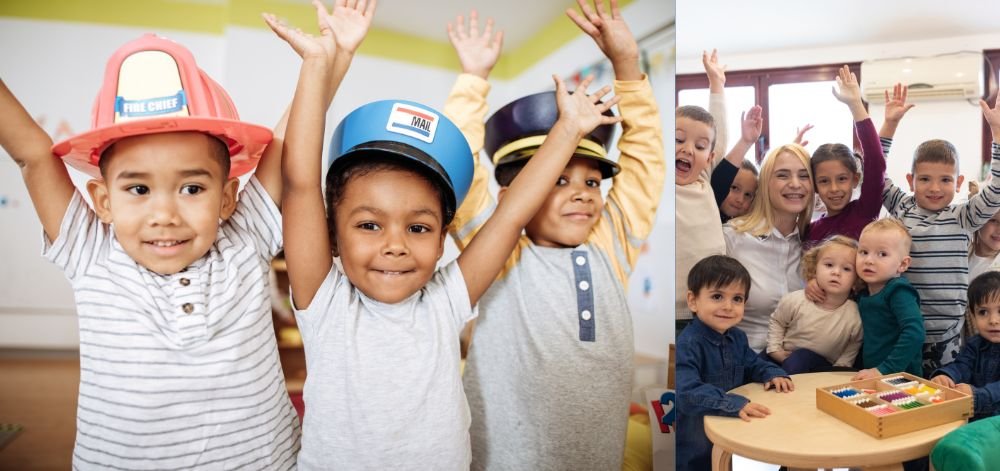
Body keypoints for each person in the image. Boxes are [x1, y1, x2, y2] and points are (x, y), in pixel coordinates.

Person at [270, 2, 623, 468]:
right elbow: (298, 185)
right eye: (369, 224)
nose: (394, 244)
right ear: (332, 236)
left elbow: (511, 215)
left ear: (442, 242)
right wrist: (320, 66)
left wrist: (568, 131)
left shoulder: (445, 300)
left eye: (418, 227)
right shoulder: (324, 302)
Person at [0, 13, 339, 464]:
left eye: (192, 188)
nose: (164, 215)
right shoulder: (90, 252)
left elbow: (289, 143)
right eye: (138, 189)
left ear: (226, 197)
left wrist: (330, 59)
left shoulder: (246, 235)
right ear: (102, 200)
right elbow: (32, 154)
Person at [442, 0, 664, 468]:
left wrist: (626, 63)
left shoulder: (610, 244)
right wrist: (474, 78)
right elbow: (460, 166)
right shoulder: (499, 250)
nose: (582, 193)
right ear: (510, 197)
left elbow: (644, 161)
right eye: (557, 180)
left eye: (590, 181)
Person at [880, 94, 1000, 374]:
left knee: (941, 392)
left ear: (958, 183)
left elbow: (996, 192)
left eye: (945, 180)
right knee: (902, 391)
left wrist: (997, 133)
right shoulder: (902, 207)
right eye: (924, 179)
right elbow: (874, 173)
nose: (935, 188)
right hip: (903, 328)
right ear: (911, 181)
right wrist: (889, 125)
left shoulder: (964, 216)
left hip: (948, 336)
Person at [676, 255, 793, 471]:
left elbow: (753, 364)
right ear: (693, 301)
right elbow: (686, 392)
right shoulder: (688, 344)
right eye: (717, 296)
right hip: (696, 449)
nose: (728, 306)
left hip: (729, 439)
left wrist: (772, 373)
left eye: (737, 299)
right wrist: (734, 404)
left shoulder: (738, 337)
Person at [676, 48, 762, 330]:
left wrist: (717, 86)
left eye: (699, 147)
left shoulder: (704, 181)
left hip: (713, 306)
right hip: (676, 307)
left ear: (709, 157)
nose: (688, 149)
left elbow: (719, 138)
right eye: (678, 140)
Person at [724, 143, 814, 351]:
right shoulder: (732, 237)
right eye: (783, 175)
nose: (795, 184)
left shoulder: (812, 245)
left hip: (799, 366)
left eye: (803, 176)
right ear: (765, 183)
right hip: (743, 365)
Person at [804, 66, 891, 247]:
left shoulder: (864, 211)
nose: (834, 188)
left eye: (842, 179)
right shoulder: (810, 231)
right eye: (824, 181)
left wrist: (856, 105)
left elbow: (876, 162)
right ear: (815, 186)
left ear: (855, 179)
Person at [764, 235, 863, 374]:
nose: (836, 272)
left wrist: (841, 367)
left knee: (801, 357)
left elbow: (853, 343)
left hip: (822, 368)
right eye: (829, 265)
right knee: (755, 364)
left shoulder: (855, 314)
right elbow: (778, 321)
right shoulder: (795, 300)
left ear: (857, 280)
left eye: (846, 269)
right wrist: (775, 350)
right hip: (781, 356)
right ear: (814, 269)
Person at [852, 218, 925, 380]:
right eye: (863, 252)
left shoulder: (898, 291)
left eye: (882, 254)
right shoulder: (862, 291)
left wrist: (884, 370)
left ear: (903, 265)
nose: (869, 260)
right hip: (872, 375)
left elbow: (915, 333)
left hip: (902, 379)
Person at [932, 271, 1000, 421]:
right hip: (971, 419)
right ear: (972, 314)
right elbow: (962, 366)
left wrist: (976, 394)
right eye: (983, 312)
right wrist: (946, 376)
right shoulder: (974, 344)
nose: (993, 320)